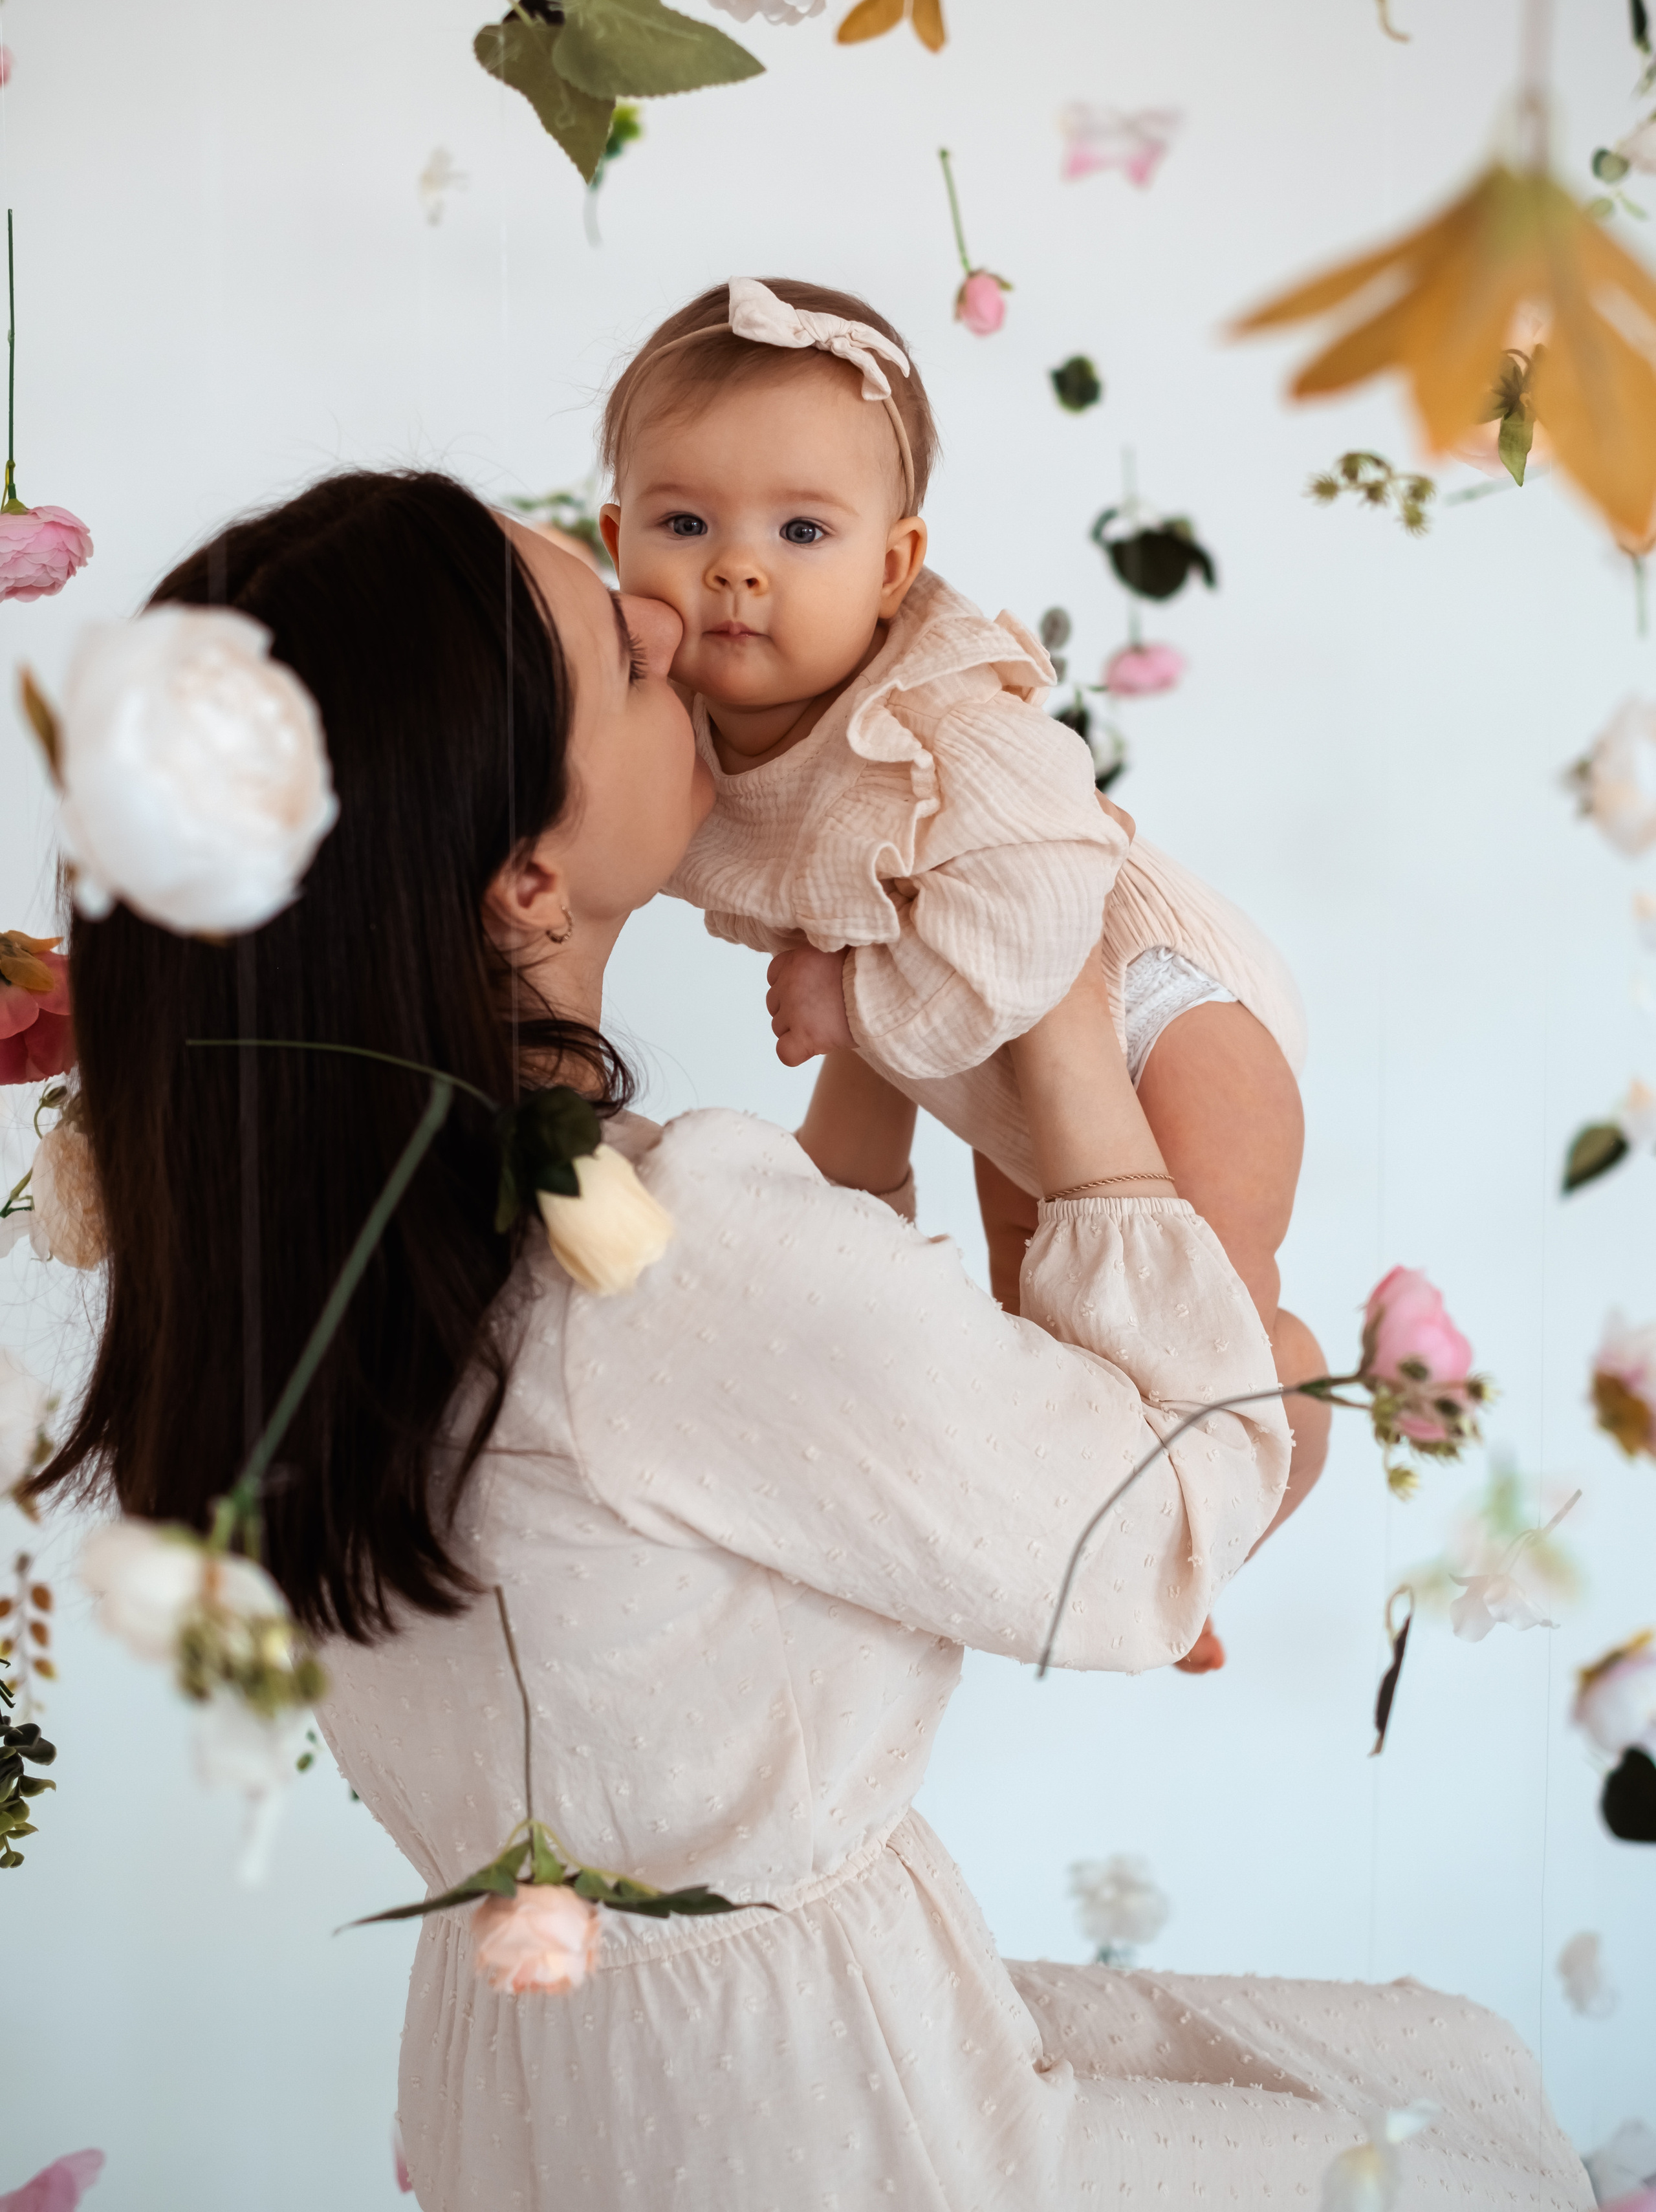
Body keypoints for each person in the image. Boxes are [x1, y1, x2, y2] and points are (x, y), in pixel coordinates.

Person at [42, 473, 1588, 2209]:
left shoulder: (324, 1247)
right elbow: (1141, 1544)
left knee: (1456, 2069)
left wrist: (880, 990)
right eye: (619, 658)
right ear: (526, 884)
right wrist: (1062, 1023)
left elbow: (795, 1392)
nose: (677, 621)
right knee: (1482, 2156)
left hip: (562, 2059)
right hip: (804, 2113)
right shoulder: (651, 1262)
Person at [605, 276, 1329, 1667]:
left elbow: (1033, 913)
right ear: (617, 537)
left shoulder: (943, 714)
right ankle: (1143, 1531)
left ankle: (1252, 1447)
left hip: (1164, 1008)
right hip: (991, 1061)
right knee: (1043, 1325)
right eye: (683, 523)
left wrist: (853, 999)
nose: (735, 569)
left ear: (891, 565)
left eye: (800, 530)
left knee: (1202, 1304)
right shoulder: (683, 730)